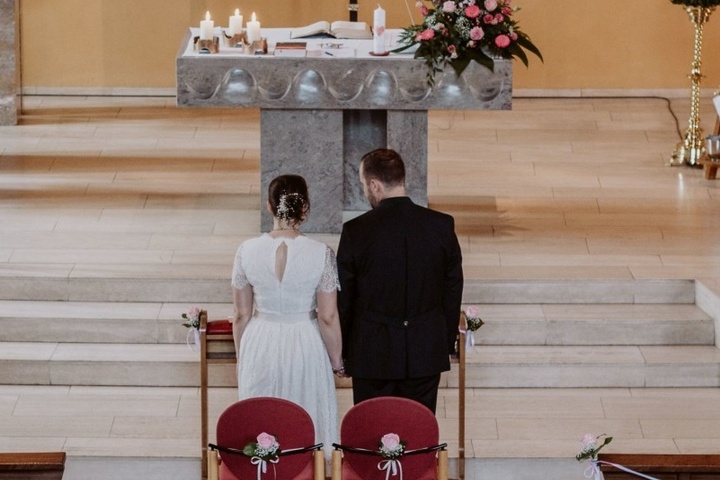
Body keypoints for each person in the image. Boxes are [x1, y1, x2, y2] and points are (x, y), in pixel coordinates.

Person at [336, 148, 464, 414]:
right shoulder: (441, 226)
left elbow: (345, 298)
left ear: (375, 184)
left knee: (371, 437)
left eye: (363, 185)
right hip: (425, 350)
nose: (365, 192)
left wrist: (345, 351)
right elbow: (452, 290)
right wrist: (444, 342)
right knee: (417, 434)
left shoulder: (356, 231)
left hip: (371, 353)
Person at [230, 174, 344, 456]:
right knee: (306, 414)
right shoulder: (321, 253)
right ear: (305, 208)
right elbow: (328, 316)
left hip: (261, 338)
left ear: (269, 206)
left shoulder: (246, 250)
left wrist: (243, 357)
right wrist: (336, 361)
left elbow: (241, 314)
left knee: (262, 416)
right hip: (305, 339)